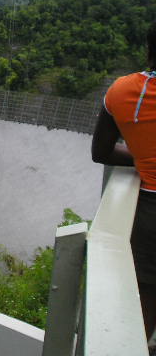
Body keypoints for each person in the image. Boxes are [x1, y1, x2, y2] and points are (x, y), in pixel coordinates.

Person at [92, 21, 156, 341]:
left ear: (148, 48)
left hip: (149, 210)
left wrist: (144, 157)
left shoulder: (123, 92)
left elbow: (101, 151)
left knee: (145, 292)